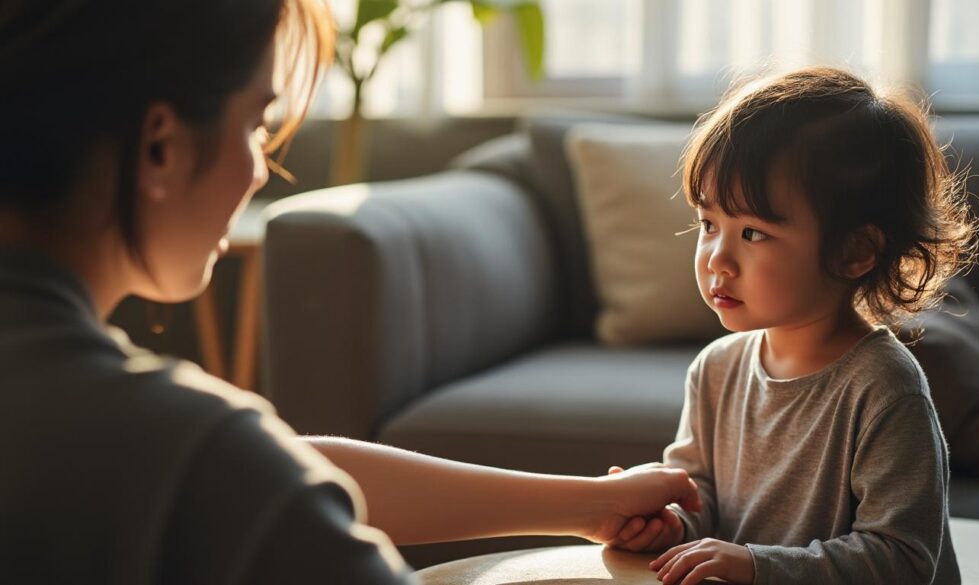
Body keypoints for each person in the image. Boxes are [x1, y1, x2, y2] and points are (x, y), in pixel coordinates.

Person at [0, 2, 703, 583]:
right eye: (255, 126)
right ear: (161, 148)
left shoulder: (144, 444)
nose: (259, 171)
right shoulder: (191, 455)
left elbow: (274, 464)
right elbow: (232, 472)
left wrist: (589, 502)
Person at [607, 68, 978, 585]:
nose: (717, 259)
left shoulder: (885, 387)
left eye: (753, 233)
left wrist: (756, 565)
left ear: (854, 251)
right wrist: (669, 522)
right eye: (709, 224)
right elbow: (700, 496)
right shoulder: (716, 369)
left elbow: (902, 560)